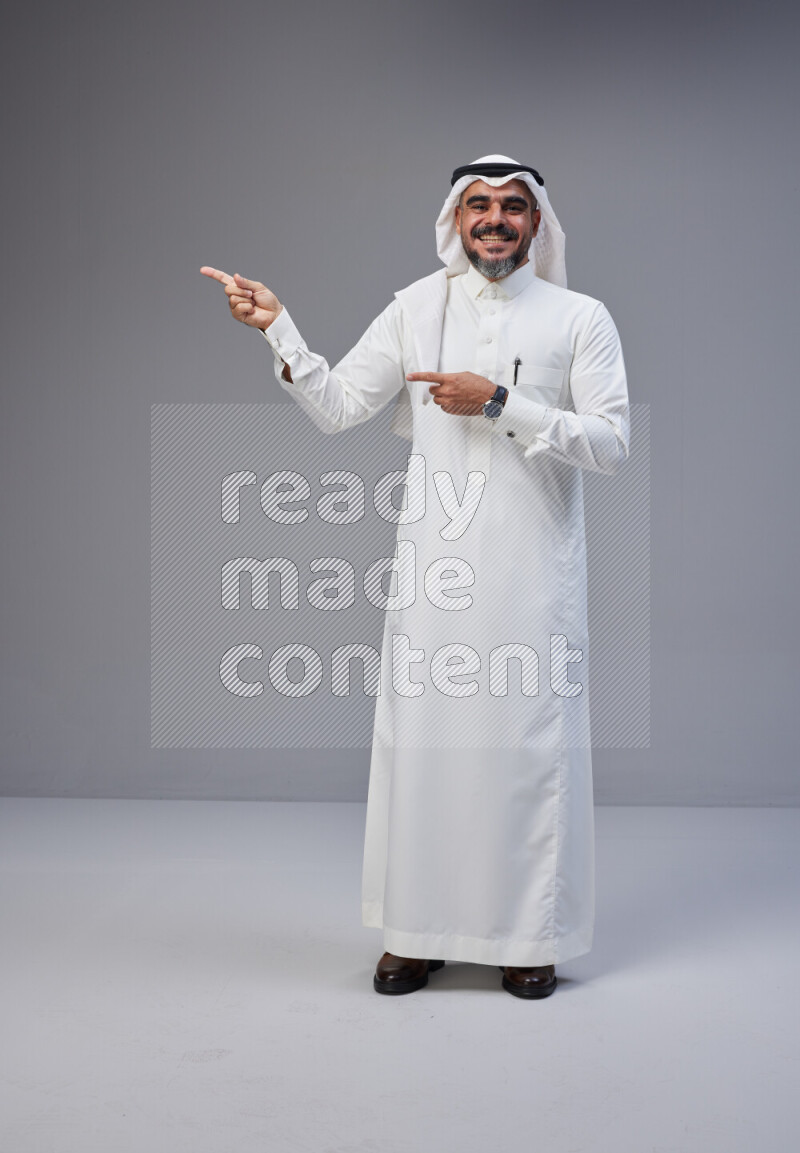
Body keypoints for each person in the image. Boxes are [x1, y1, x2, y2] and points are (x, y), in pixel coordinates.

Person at [201, 153, 630, 1000]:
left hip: (533, 579)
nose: (496, 219)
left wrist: (503, 403)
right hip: (435, 579)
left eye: (513, 206)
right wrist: (278, 329)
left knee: (522, 752)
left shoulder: (580, 317)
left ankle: (526, 937)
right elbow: (333, 405)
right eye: (479, 205)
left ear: (538, 223)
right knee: (426, 755)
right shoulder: (415, 308)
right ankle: (416, 934)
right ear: (455, 220)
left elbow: (613, 443)